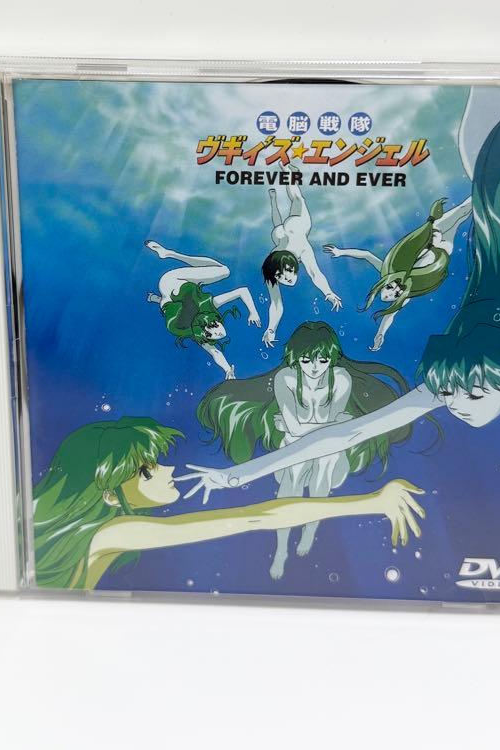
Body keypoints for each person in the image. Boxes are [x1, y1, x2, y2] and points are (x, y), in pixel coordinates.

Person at [178, 85, 500, 502]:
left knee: (487, 134)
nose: (454, 404)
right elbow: (346, 433)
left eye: (456, 396)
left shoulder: (468, 372)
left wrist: (237, 476)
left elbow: (347, 434)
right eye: (463, 395)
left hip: (499, 196)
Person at [32, 417, 425, 590]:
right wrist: (370, 502)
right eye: (147, 471)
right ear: (107, 492)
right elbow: (256, 518)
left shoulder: (95, 530)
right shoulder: (112, 532)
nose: (168, 469)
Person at [196, 320, 420, 579]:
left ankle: (310, 531)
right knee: (294, 474)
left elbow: (322, 434)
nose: (315, 367)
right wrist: (329, 425)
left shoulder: (341, 378)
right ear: (295, 358)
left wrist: (313, 427)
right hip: (294, 450)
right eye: (306, 360)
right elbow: (314, 427)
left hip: (329, 453)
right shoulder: (286, 378)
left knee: (324, 462)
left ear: (332, 358)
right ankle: (281, 548)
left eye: (322, 360)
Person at [324, 196, 471, 350]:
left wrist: (341, 252)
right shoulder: (409, 292)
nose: (391, 293)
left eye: (389, 288)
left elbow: (366, 255)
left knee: (462, 211)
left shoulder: (387, 271)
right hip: (442, 250)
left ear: (383, 285)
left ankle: (482, 189)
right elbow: (390, 315)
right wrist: (380, 334)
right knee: (461, 218)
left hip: (433, 234)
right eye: (395, 294)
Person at [145, 239, 260, 378]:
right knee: (174, 301)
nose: (219, 331)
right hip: (166, 292)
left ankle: (170, 254)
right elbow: (215, 352)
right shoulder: (195, 328)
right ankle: (168, 258)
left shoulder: (207, 306)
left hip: (173, 279)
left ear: (209, 327)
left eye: (215, 332)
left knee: (224, 270)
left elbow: (242, 291)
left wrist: (253, 312)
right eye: (218, 332)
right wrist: (228, 370)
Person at [261, 183, 342, 347]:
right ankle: (273, 200)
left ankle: (288, 173)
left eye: (288, 271)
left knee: (298, 198)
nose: (287, 278)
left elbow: (314, 273)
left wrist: (328, 292)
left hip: (299, 225)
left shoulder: (302, 247)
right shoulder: (271, 267)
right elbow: (276, 304)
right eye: (280, 276)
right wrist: (271, 329)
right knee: (277, 226)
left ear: (294, 264)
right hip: (281, 233)